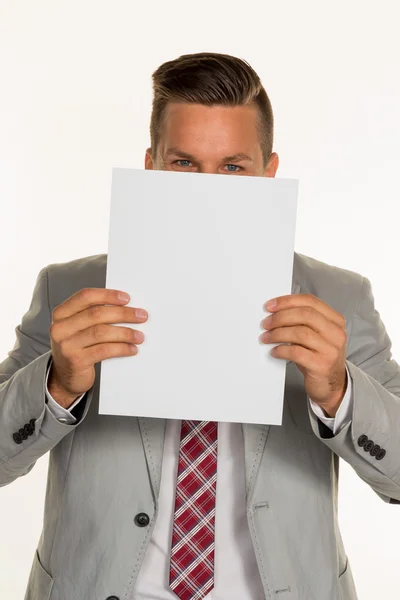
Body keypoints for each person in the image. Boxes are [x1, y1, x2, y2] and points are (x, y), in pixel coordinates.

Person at [1, 52, 399, 600]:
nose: (207, 189)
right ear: (152, 165)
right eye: (184, 163)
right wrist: (55, 385)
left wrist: (340, 392)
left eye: (233, 167)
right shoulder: (70, 291)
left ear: (268, 172)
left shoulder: (339, 298)